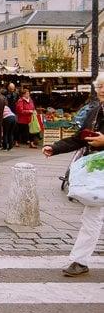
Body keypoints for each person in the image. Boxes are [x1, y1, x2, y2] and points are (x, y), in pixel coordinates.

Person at [42, 72, 104, 277]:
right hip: (97, 170)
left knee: (93, 216)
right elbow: (79, 138)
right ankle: (80, 260)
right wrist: (55, 147)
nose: (102, 90)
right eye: (100, 86)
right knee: (91, 216)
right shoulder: (95, 110)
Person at [3, 82, 21, 147]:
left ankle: (13, 142)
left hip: (13, 111)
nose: (12, 89)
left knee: (14, 128)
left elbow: (17, 101)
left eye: (13, 88)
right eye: (11, 88)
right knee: (7, 129)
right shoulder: (5, 93)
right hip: (7, 111)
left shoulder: (16, 94)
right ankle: (8, 143)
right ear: (8, 88)